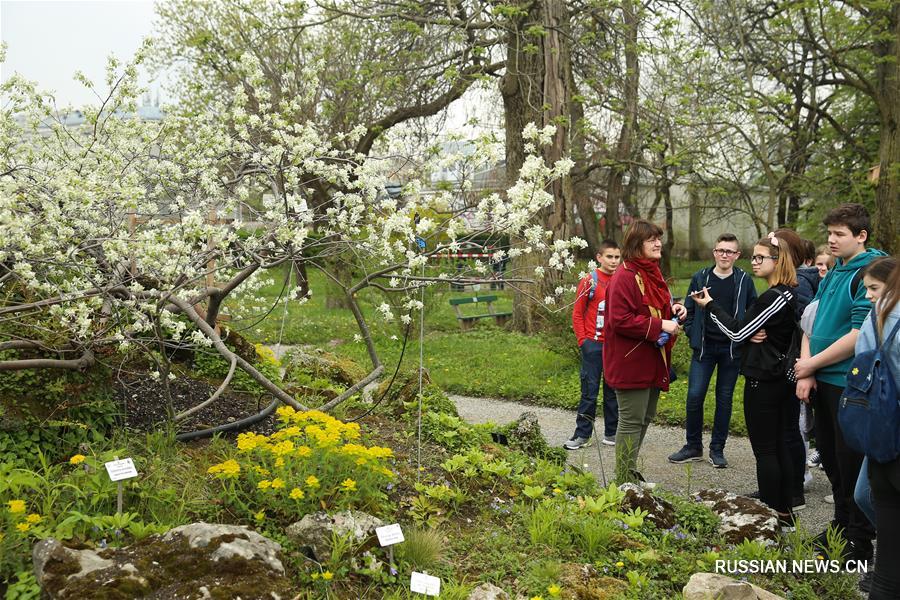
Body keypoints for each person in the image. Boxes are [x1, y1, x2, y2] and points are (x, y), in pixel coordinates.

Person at [794, 203, 886, 562]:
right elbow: (810, 319)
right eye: (829, 233)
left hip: (850, 384)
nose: (831, 240)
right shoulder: (835, 269)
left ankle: (858, 543)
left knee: (850, 463)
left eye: (839, 234)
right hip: (821, 379)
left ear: (860, 236)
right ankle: (839, 526)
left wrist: (810, 365)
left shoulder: (871, 272)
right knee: (830, 458)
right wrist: (808, 368)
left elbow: (858, 333)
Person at [692, 234, 799, 529]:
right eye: (752, 256)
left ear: (778, 261)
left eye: (760, 257)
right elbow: (750, 331)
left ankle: (773, 512)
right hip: (779, 379)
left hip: (765, 381)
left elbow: (737, 332)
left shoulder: (773, 296)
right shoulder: (788, 293)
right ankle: (784, 509)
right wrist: (752, 334)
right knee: (778, 445)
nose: (754, 262)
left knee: (766, 449)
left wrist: (711, 306)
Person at [603, 220, 686, 484]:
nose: (658, 243)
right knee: (631, 421)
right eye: (651, 239)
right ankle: (623, 482)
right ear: (637, 244)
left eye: (658, 238)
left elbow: (654, 304)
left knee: (645, 418)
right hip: (631, 362)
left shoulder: (651, 272)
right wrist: (661, 324)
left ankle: (629, 476)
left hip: (651, 359)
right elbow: (620, 320)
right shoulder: (625, 276)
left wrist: (674, 309)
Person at [668, 234, 757, 468]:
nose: (725, 255)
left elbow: (752, 310)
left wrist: (747, 336)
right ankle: (693, 446)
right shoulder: (701, 277)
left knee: (724, 399)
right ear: (714, 253)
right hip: (704, 348)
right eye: (721, 251)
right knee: (695, 396)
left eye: (730, 251)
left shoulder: (744, 280)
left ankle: (717, 449)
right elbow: (688, 308)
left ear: (737, 255)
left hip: (731, 349)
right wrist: (691, 332)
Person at [861, 259, 900, 600]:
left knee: (886, 565)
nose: (870, 297)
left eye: (874, 289)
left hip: (879, 440)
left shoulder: (872, 321)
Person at [565, 240, 621, 450]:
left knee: (613, 392)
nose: (614, 261)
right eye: (609, 256)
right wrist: (583, 341)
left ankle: (612, 433)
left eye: (617, 257)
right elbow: (577, 313)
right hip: (593, 346)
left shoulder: (622, 280)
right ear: (599, 257)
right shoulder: (590, 280)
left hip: (615, 347)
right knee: (589, 392)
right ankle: (582, 435)